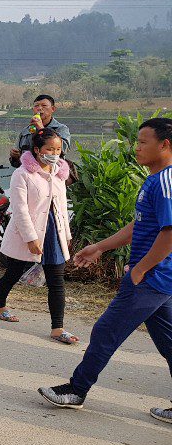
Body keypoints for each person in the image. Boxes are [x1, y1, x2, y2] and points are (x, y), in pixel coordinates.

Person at [39, 117, 172, 425]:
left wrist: (140, 269)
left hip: (151, 278)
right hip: (159, 279)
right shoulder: (155, 179)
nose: (136, 148)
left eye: (143, 142)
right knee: (169, 343)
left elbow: (169, 233)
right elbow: (140, 226)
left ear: (165, 145)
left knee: (105, 332)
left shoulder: (166, 181)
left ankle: (76, 390)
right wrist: (99, 247)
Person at [0, 128, 76, 344]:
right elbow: (19, 210)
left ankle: (57, 328)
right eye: (50, 149)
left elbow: (61, 208)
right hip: (28, 232)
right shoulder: (22, 174)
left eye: (58, 149)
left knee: (56, 280)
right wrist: (30, 238)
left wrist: (66, 235)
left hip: (54, 233)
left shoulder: (59, 173)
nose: (55, 154)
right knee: (14, 272)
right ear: (37, 150)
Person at [10, 94, 71, 168]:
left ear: (53, 109)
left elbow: (63, 150)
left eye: (44, 105)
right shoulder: (25, 132)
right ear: (33, 110)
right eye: (36, 106)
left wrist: (41, 129)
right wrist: (15, 157)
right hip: (29, 173)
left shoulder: (61, 129)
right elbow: (16, 163)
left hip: (52, 173)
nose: (39, 108)